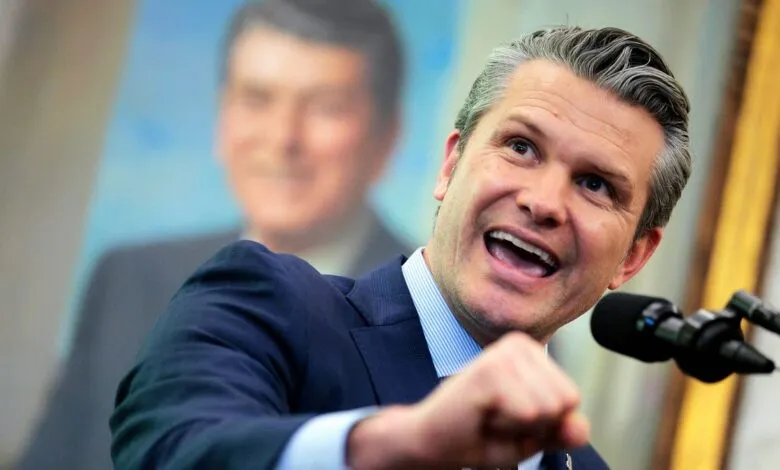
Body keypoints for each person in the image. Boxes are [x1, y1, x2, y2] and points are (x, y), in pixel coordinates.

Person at [109, 25, 691, 470]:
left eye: (595, 184)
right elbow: (173, 445)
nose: (543, 202)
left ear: (633, 256)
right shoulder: (268, 302)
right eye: (520, 147)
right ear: (451, 165)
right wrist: (405, 443)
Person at [17, 1, 410, 469]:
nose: (283, 139)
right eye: (257, 99)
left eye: (326, 108)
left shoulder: (425, 315)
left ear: (385, 139)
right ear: (222, 117)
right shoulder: (127, 279)